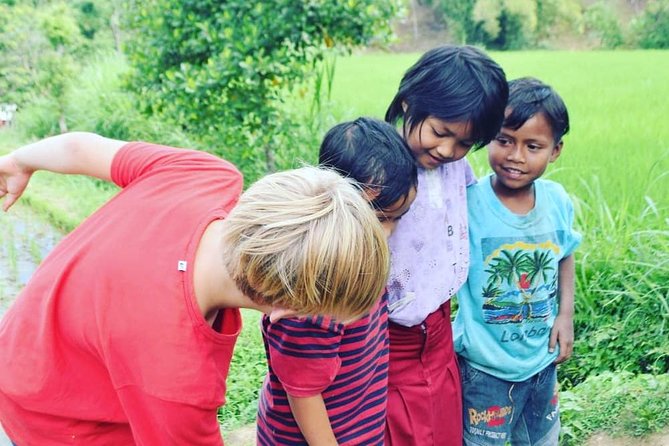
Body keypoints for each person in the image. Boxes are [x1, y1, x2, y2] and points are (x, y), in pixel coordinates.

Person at [0, 132, 391, 445]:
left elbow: (77, 146)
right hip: (48, 411)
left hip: (31, 333)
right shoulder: (176, 377)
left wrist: (20, 161)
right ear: (286, 308)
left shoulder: (205, 175)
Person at [256, 117, 418, 445]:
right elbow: (304, 393)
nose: (385, 233)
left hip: (355, 428)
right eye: (378, 218)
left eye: (396, 219)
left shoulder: (364, 261)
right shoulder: (314, 290)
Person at [383, 45, 509, 445]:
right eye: (440, 132)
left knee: (441, 426)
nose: (447, 151)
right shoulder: (376, 165)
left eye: (463, 143)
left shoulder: (456, 167)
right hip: (385, 339)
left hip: (438, 330)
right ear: (408, 102)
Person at [453, 77, 581, 445]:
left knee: (542, 440)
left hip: (542, 363)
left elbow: (565, 253)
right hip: (484, 369)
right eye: (504, 140)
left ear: (555, 150)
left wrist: (565, 316)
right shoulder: (468, 202)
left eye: (533, 145)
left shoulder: (557, 200)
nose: (516, 156)